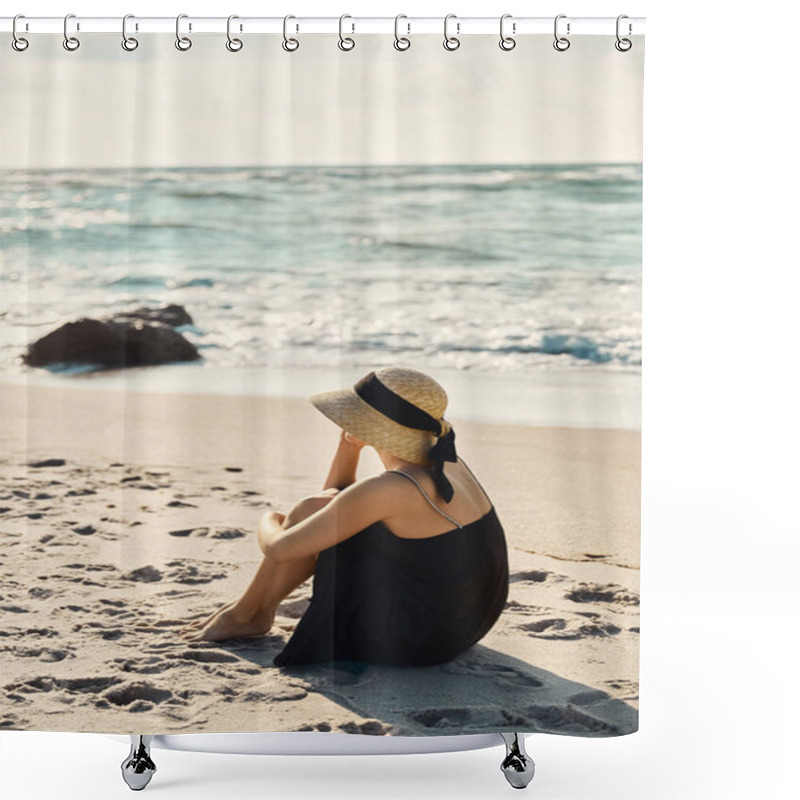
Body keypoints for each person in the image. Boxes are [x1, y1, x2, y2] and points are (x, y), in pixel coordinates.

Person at [180, 365, 509, 668]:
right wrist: (348, 448)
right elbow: (338, 504)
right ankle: (248, 613)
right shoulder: (445, 461)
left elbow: (279, 549)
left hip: (420, 637)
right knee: (315, 510)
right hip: (470, 617)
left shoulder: (394, 486)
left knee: (305, 514)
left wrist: (269, 518)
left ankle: (246, 615)